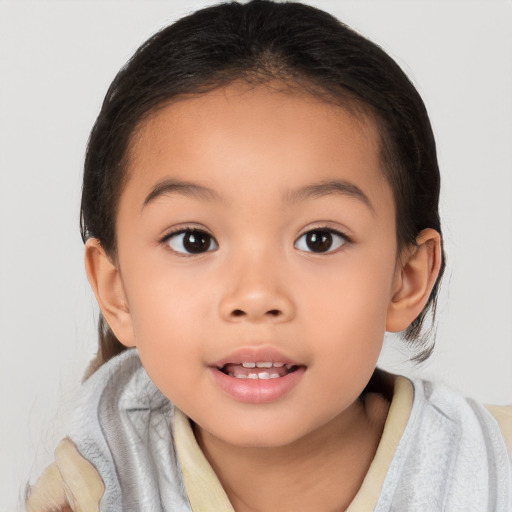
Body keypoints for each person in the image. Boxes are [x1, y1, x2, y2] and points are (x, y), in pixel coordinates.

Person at [25, 1, 511, 510]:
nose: (256, 297)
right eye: (194, 240)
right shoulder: (88, 494)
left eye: (319, 239)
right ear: (116, 289)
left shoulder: (490, 471)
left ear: (406, 278)